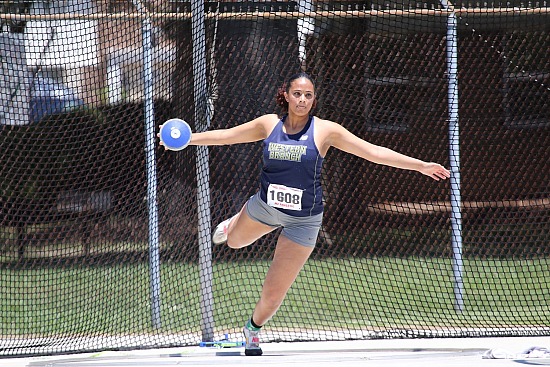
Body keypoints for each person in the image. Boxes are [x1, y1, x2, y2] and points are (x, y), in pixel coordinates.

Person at [160, 72, 451, 356]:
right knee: (234, 242)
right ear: (285, 96)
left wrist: (419, 165)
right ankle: (235, 221)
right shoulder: (268, 124)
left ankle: (252, 330)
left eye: (308, 95)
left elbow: (372, 151)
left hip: (303, 220)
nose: (302, 100)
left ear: (313, 100)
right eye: (297, 94)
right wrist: (188, 139)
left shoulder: (325, 130)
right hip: (265, 207)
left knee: (273, 295)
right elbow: (227, 137)